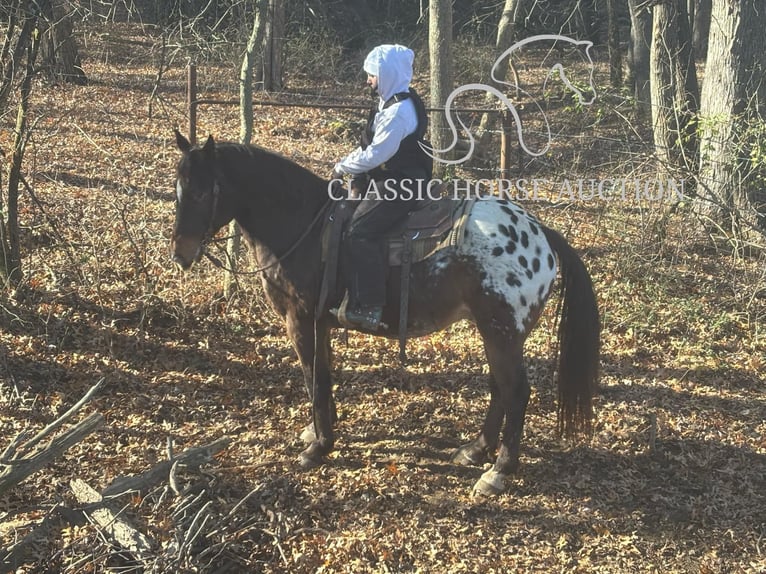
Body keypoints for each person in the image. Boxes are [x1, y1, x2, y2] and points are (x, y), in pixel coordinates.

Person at [331, 44, 433, 331]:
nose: (368, 80)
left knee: (360, 231)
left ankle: (372, 306)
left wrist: (342, 166)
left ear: (387, 74)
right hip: (388, 179)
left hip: (401, 184)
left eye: (372, 75)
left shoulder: (398, 112)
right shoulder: (391, 101)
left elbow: (377, 154)